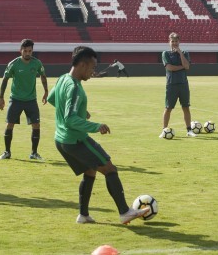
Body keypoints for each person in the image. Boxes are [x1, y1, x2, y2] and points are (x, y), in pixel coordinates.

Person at [47, 46, 149, 225]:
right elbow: (70, 119)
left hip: (60, 139)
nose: (93, 71)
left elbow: (51, 99)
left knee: (90, 171)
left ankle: (83, 215)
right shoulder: (75, 88)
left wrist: (80, 112)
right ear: (82, 64)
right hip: (75, 139)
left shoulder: (63, 78)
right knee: (109, 169)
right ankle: (124, 212)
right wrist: (96, 126)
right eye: (92, 67)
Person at [0, 39, 48, 161]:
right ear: (21, 51)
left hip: (31, 100)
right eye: (25, 51)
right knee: (9, 124)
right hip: (15, 99)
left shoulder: (37, 63)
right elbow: (5, 79)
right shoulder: (14, 64)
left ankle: (34, 153)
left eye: (30, 51)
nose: (27, 53)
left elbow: (43, 75)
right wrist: (1, 97)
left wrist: (46, 91)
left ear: (32, 51)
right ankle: (7, 152)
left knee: (36, 125)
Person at [159, 32, 196, 138]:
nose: (174, 43)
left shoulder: (185, 53)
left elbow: (187, 66)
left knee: (186, 107)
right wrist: (182, 67)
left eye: (176, 41)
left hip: (183, 84)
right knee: (168, 108)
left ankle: (189, 130)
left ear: (179, 42)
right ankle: (164, 130)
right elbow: (169, 67)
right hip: (171, 85)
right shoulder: (165, 53)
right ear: (169, 42)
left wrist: (180, 53)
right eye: (172, 41)